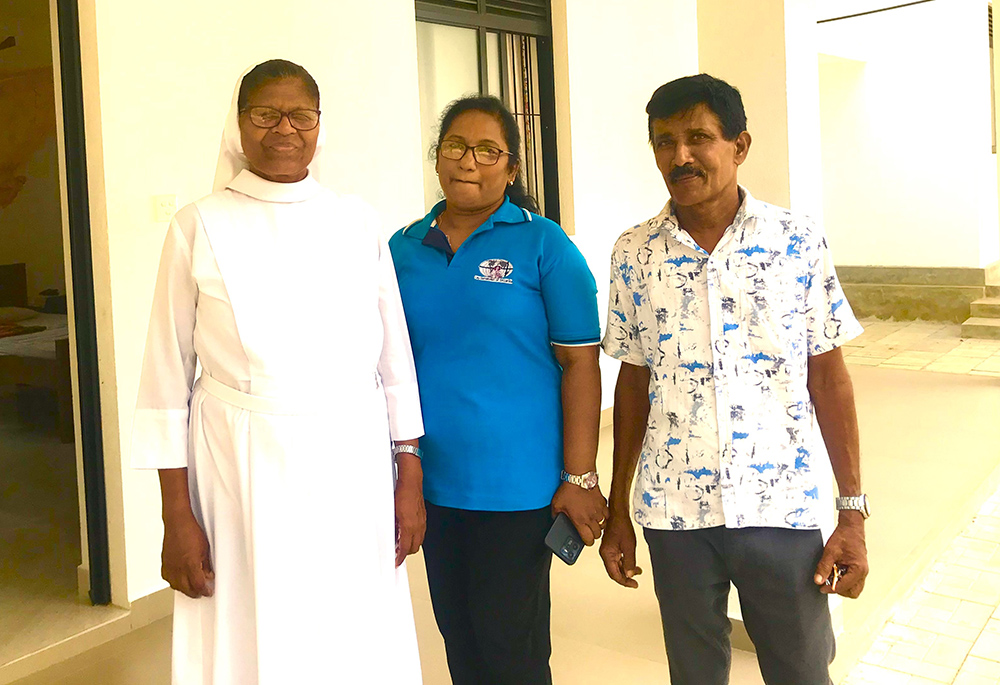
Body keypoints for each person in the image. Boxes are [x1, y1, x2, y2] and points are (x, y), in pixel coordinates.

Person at [131, 59, 424, 685]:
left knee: (350, 622)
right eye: (265, 114)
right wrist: (174, 516)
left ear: (320, 125)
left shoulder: (356, 220)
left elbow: (393, 360)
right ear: (239, 125)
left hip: (351, 460)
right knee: (252, 623)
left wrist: (409, 474)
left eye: (301, 115)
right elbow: (164, 378)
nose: (284, 129)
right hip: (239, 463)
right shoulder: (198, 224)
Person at [599, 73, 869, 685]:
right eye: (664, 141)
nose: (680, 156)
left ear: (739, 146)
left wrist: (850, 514)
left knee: (800, 669)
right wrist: (619, 508)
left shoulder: (796, 243)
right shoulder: (634, 253)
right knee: (694, 674)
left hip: (779, 506)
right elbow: (633, 385)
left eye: (699, 137)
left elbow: (830, 381)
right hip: (675, 514)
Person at [388, 95, 606, 685]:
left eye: (489, 150)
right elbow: (385, 364)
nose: (469, 161)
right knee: (458, 637)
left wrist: (580, 477)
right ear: (437, 158)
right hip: (433, 484)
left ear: (511, 169)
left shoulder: (544, 245)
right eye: (456, 146)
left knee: (510, 646)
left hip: (518, 489)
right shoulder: (401, 249)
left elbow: (580, 365)